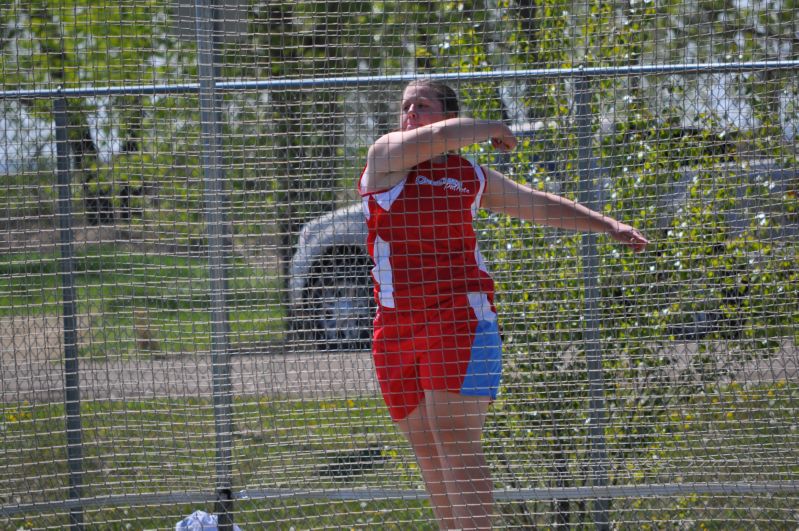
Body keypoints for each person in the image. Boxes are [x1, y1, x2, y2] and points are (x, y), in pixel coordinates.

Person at [357, 79, 649, 530]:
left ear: (449, 114)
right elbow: (436, 139)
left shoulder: (470, 175)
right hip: (394, 327)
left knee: (454, 439)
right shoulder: (386, 158)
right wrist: (492, 126)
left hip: (459, 315)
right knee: (428, 449)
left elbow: (539, 205)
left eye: (423, 105)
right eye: (405, 106)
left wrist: (606, 224)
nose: (410, 114)